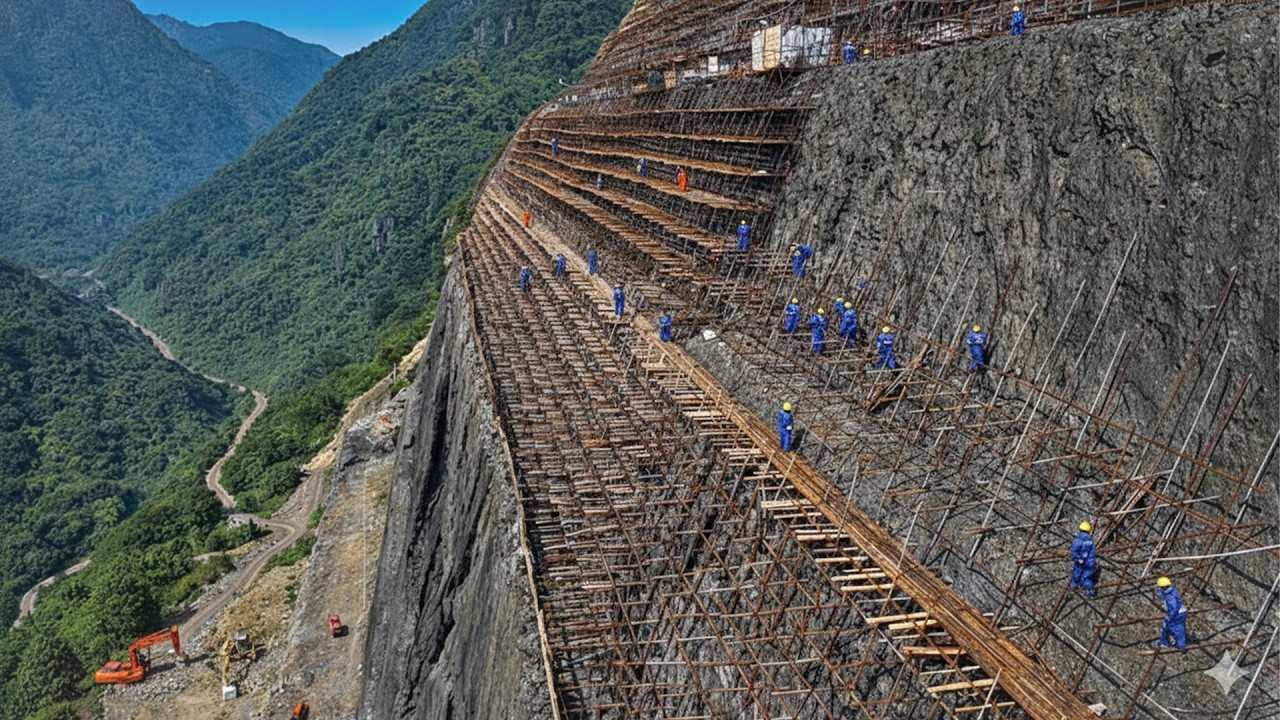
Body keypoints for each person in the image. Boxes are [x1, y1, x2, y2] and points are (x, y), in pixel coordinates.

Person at [1156, 577, 1188, 651]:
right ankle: (1180, 645)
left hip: (1177, 614)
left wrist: (1170, 616)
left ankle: (1165, 642)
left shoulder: (1170, 596)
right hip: (1182, 611)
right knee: (1179, 628)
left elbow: (1173, 607)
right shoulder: (1173, 591)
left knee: (1170, 626)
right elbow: (1163, 593)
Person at [1070, 521, 1097, 598]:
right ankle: (1091, 592)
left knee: (1077, 573)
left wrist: (1077, 559)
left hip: (1080, 561)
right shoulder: (1090, 541)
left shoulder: (1077, 540)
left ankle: (1075, 586)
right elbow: (1092, 553)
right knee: (1086, 576)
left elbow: (1074, 551)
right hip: (1089, 562)